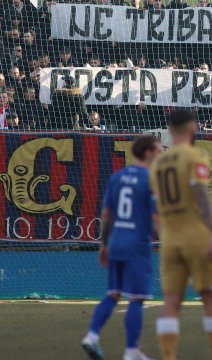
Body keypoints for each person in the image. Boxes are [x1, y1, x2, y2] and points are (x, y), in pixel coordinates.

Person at [150, 110, 212, 360]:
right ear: (193, 128)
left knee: (171, 303)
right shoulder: (196, 156)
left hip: (171, 240)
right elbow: (201, 195)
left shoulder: (159, 163)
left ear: (170, 130)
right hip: (197, 237)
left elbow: (155, 204)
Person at [81, 135, 163, 360]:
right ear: (147, 152)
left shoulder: (118, 177)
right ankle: (131, 350)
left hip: (116, 241)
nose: (161, 153)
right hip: (137, 245)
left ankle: (92, 335)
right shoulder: (151, 179)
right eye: (158, 149)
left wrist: (104, 245)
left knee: (113, 294)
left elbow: (106, 214)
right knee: (137, 298)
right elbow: (156, 217)